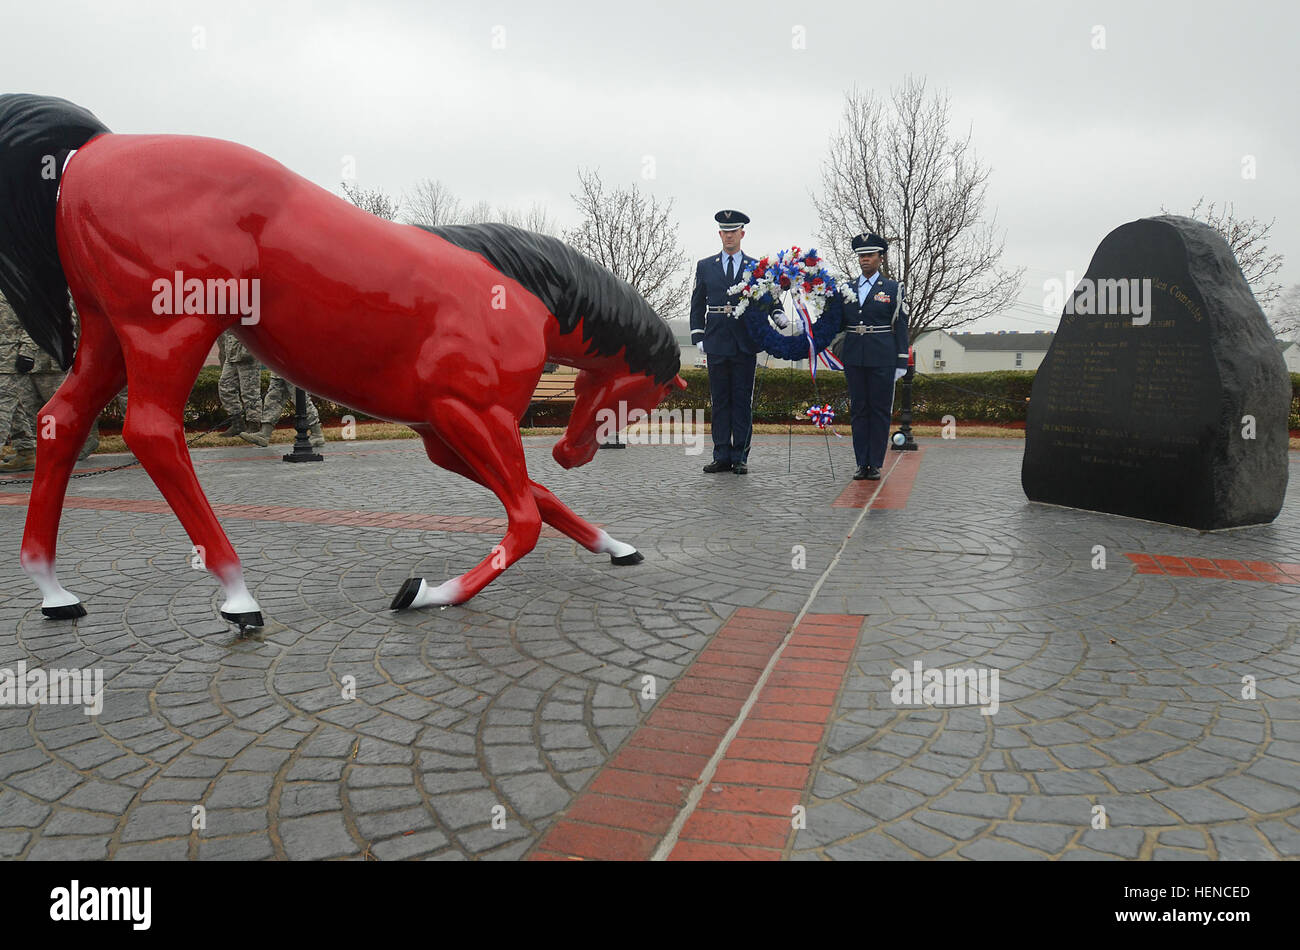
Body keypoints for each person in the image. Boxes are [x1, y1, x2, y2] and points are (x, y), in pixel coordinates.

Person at [689, 209, 760, 475]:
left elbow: (764, 301)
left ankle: (740, 455)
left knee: (741, 400)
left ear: (742, 233)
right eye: (725, 232)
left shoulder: (755, 267)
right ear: (720, 234)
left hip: (744, 341)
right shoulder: (705, 265)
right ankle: (721, 454)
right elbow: (697, 302)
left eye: (734, 231)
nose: (729, 236)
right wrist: (698, 334)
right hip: (716, 339)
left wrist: (776, 315)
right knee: (719, 400)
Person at [0, 291, 98, 472]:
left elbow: (38, 321)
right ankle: (28, 451)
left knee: (61, 408)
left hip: (38, 360)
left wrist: (27, 352)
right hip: (14, 361)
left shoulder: (32, 282)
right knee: (23, 409)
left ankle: (77, 446)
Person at [841, 232, 910, 481]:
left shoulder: (893, 288)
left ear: (880, 258)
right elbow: (837, 322)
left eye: (869, 255)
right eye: (861, 256)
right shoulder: (846, 288)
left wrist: (902, 360)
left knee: (879, 411)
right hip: (854, 357)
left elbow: (901, 325)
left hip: (883, 356)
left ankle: (876, 463)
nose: (864, 260)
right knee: (859, 410)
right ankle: (862, 463)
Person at [240, 372, 325, 447]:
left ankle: (316, 433)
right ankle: (264, 434)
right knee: (273, 398)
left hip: (293, 365)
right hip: (278, 366)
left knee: (300, 399)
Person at [216, 330, 262, 437]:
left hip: (247, 352)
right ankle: (237, 423)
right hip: (231, 351)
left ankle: (254, 425)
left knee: (249, 391)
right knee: (225, 387)